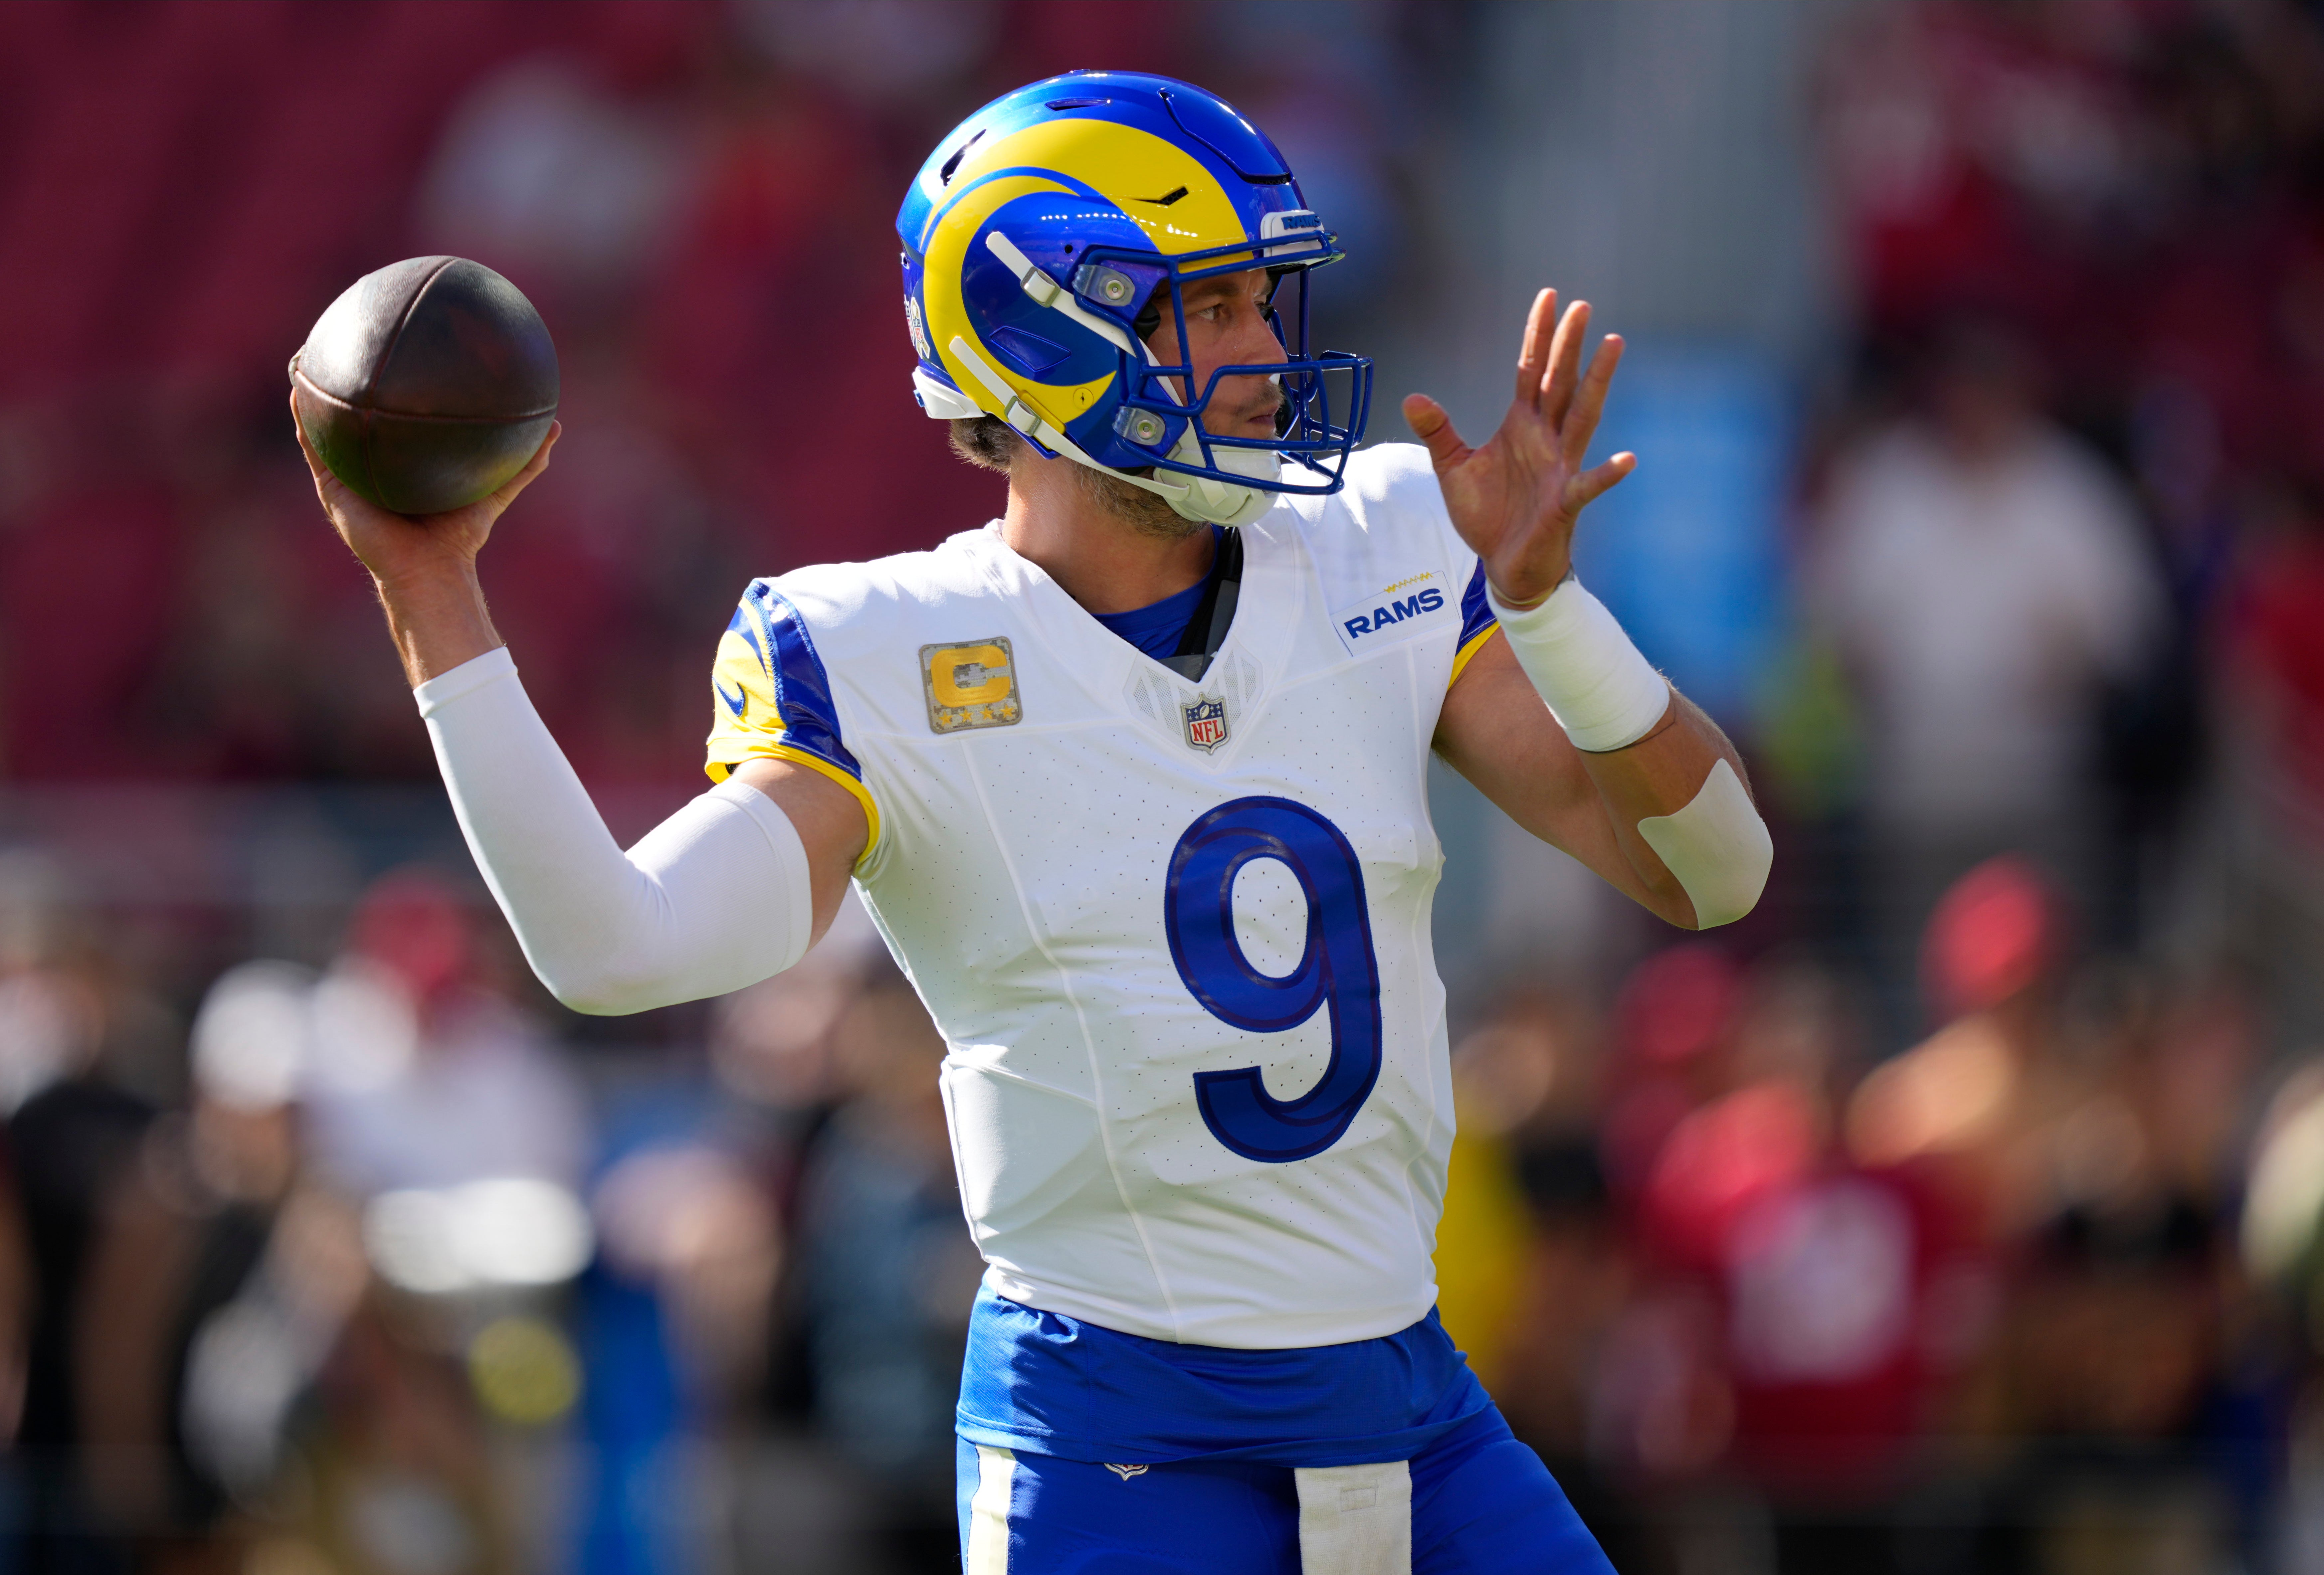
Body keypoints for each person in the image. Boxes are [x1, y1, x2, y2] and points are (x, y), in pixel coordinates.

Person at [295, 71, 1773, 1574]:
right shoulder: (884, 651)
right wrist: (435, 595)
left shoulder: (1386, 543)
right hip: (1123, 1440)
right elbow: (615, 946)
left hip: (1412, 1400)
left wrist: (1550, 605)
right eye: (1214, 309)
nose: (1271, 354)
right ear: (1044, 325)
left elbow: (1717, 870)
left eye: (1270, 302)